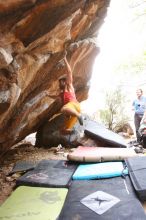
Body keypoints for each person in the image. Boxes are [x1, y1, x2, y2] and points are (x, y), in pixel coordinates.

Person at [58, 55, 83, 134]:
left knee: (63, 109)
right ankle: (75, 132)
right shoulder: (61, 94)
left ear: (64, 81)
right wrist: (47, 95)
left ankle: (79, 116)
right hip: (73, 110)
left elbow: (69, 72)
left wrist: (65, 58)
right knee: (63, 130)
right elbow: (55, 97)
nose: (59, 84)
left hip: (74, 106)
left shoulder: (68, 85)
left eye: (60, 82)